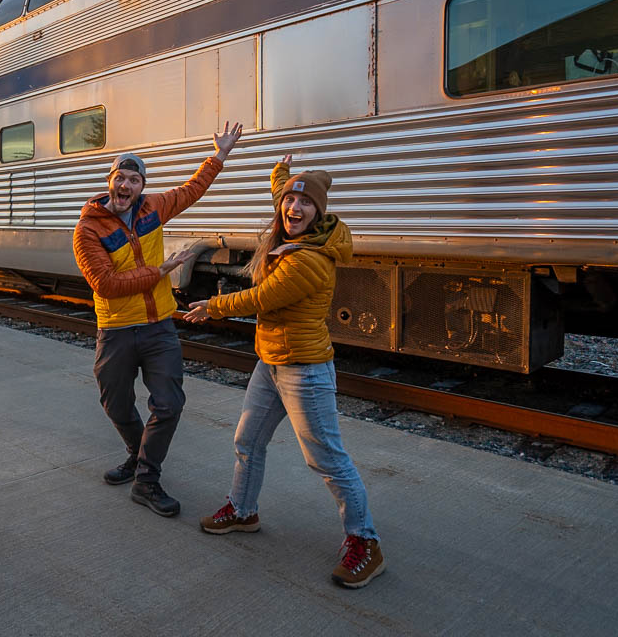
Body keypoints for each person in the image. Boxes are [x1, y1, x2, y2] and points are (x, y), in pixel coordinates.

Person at [185, 155, 384, 588]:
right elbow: (283, 193)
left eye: (304, 203)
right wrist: (280, 171)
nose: (293, 207)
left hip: (304, 370)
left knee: (325, 458)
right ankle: (243, 510)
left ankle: (365, 542)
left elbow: (261, 297)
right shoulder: (293, 224)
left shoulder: (308, 261)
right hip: (271, 363)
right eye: (289, 200)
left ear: (320, 212)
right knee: (247, 440)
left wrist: (212, 306)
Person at [73, 122, 242, 517]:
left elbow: (191, 190)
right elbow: (106, 283)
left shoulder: (153, 208)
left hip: (159, 327)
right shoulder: (88, 229)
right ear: (110, 182)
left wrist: (219, 155)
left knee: (168, 404)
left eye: (134, 179)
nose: (127, 185)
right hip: (115, 329)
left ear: (141, 186)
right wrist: (161, 271)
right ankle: (137, 454)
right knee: (115, 404)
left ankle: (146, 479)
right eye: (121, 178)